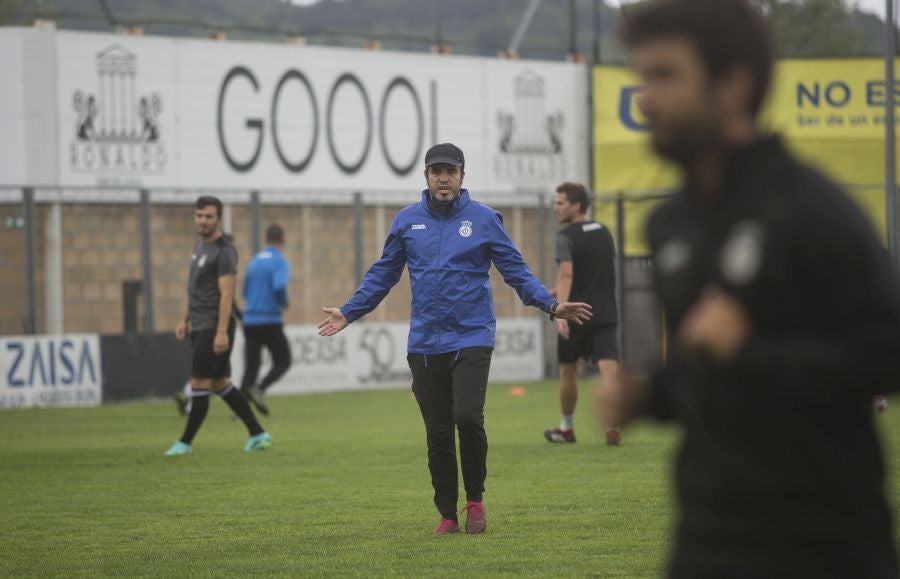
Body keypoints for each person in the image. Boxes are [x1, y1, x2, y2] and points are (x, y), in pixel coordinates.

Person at [600, 0, 900, 576]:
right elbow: (707, 373)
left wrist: (751, 352)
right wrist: (650, 398)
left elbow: (888, 355)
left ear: (732, 84)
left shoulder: (813, 210)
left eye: (665, 75)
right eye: (641, 76)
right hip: (705, 536)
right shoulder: (669, 225)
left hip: (824, 544)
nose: (645, 97)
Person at [318, 143, 593, 535]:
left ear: (463, 177)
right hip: (425, 343)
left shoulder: (483, 219)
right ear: (426, 177)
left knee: (466, 416)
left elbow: (515, 270)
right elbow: (383, 274)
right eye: (436, 171)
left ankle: (475, 501)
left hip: (472, 335)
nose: (443, 178)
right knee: (439, 432)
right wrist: (350, 311)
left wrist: (550, 305)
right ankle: (447, 513)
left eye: (450, 171)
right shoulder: (406, 222)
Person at [165, 196, 272, 456]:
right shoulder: (200, 247)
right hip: (200, 324)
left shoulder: (225, 251)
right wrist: (185, 319)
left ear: (218, 219)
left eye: (208, 217)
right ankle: (258, 434)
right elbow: (195, 289)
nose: (202, 221)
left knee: (200, 383)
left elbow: (226, 294)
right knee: (220, 383)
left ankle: (184, 443)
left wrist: (222, 331)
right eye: (199, 216)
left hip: (214, 326)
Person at [543, 182, 622, 446]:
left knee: (567, 371)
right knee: (608, 369)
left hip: (575, 313)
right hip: (605, 312)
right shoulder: (604, 231)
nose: (556, 208)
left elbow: (567, 273)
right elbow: (596, 272)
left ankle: (566, 428)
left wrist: (560, 308)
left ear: (576, 206)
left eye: (560, 203)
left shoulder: (564, 237)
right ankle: (613, 425)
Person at [240, 224, 293, 415]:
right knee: (284, 360)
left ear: (265, 239)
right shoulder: (280, 261)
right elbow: (279, 287)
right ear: (283, 240)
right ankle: (260, 389)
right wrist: (283, 302)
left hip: (249, 320)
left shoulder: (254, 261)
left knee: (251, 367)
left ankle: (240, 409)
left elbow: (244, 291)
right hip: (269, 319)